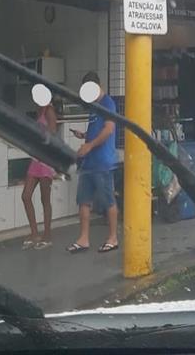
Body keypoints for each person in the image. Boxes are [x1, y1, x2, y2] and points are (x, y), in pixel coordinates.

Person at [67, 72, 119, 254]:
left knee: (108, 201)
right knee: (83, 201)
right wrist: (84, 136)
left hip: (103, 162)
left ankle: (113, 238)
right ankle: (83, 239)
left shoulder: (108, 104)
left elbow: (108, 130)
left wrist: (89, 145)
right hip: (89, 164)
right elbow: (96, 132)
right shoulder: (94, 107)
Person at [21, 98, 58, 250]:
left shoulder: (49, 110)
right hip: (36, 159)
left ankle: (47, 235)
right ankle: (35, 232)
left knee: (45, 199)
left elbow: (53, 133)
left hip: (45, 160)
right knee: (26, 195)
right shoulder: (40, 110)